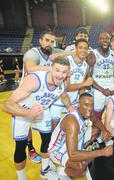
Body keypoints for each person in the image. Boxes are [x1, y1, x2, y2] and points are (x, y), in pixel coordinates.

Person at [2, 56, 74, 179]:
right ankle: (22, 177)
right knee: (21, 146)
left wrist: (69, 107)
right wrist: (28, 113)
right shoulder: (34, 80)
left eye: (64, 72)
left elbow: (64, 96)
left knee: (47, 140)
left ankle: (44, 170)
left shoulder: (62, 83)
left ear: (68, 73)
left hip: (41, 111)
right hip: (22, 111)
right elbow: (6, 105)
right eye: (57, 70)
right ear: (51, 69)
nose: (60, 75)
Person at [49, 93, 113, 179]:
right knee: (81, 166)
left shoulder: (88, 112)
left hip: (76, 139)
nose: (90, 108)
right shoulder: (72, 122)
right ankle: (63, 172)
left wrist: (104, 130)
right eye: (86, 105)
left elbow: (96, 121)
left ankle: (82, 150)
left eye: (91, 105)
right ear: (78, 105)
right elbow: (72, 154)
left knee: (97, 129)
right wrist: (102, 152)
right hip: (58, 150)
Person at [22, 29, 59, 163]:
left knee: (45, 130)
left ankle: (47, 150)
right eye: (47, 40)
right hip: (26, 95)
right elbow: (31, 68)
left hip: (42, 97)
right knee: (27, 126)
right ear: (40, 41)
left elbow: (67, 52)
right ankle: (30, 149)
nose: (49, 43)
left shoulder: (53, 52)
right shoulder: (33, 53)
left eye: (52, 41)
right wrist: (54, 69)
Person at [50, 39, 93, 129]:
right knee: (55, 128)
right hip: (59, 99)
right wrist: (85, 83)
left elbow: (82, 88)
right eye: (80, 47)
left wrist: (82, 101)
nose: (83, 50)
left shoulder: (86, 65)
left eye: (85, 48)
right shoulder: (67, 61)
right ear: (75, 49)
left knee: (69, 128)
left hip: (73, 101)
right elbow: (68, 87)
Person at [87, 32, 114, 119]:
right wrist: (102, 90)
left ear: (109, 41)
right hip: (97, 87)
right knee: (97, 110)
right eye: (102, 38)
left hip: (111, 86)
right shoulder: (93, 54)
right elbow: (89, 77)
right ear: (98, 41)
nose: (104, 41)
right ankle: (98, 129)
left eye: (107, 38)